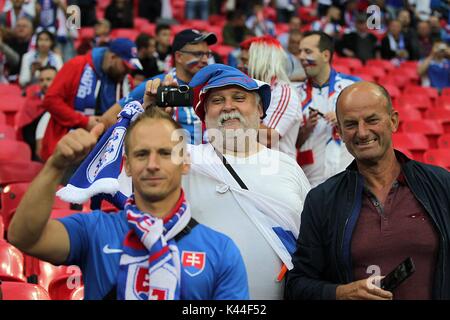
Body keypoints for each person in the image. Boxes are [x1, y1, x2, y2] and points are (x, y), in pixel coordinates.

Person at [58, 64, 311, 299]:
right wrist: (150, 115)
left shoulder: (288, 167)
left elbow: (312, 244)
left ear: (259, 110)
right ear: (204, 116)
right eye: (217, 101)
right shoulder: (181, 159)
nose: (228, 106)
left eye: (239, 97)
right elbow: (129, 165)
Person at [8, 105, 249, 300]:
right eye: (142, 154)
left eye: (165, 153)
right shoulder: (94, 230)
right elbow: (23, 238)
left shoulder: (221, 251)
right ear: (128, 166)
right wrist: (55, 166)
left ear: (185, 162)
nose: (152, 164)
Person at [286, 81, 450, 300]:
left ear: (393, 121)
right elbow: (297, 285)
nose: (362, 133)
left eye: (372, 120)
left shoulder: (441, 184)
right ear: (340, 133)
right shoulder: (321, 200)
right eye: (351, 124)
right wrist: (341, 293)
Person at [100, 29, 217, 144]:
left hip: (205, 158)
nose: (205, 60)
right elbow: (108, 118)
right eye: (198, 54)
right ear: (179, 57)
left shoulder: (211, 86)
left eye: (208, 54)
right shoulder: (157, 85)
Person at [39, 37, 141, 161]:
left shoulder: (125, 80)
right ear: (112, 57)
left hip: (105, 150)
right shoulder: (76, 65)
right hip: (70, 146)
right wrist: (84, 122)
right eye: (125, 65)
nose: (128, 71)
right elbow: (50, 100)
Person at [296, 31, 359, 188]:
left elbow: (371, 125)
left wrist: (345, 121)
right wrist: (304, 131)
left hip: (349, 179)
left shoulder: (352, 88)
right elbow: (288, 143)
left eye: (308, 51)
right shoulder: (294, 94)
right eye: (300, 51)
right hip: (310, 182)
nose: (301, 57)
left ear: (325, 55)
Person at [242, 35, 303, 159]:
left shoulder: (284, 93)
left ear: (260, 61)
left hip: (277, 171)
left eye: (245, 61)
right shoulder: (250, 91)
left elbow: (268, 138)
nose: (239, 65)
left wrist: (236, 117)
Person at [15, 65, 57, 161]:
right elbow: (25, 134)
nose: (45, 83)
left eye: (48, 79)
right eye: (41, 80)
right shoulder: (31, 104)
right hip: (35, 154)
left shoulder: (66, 102)